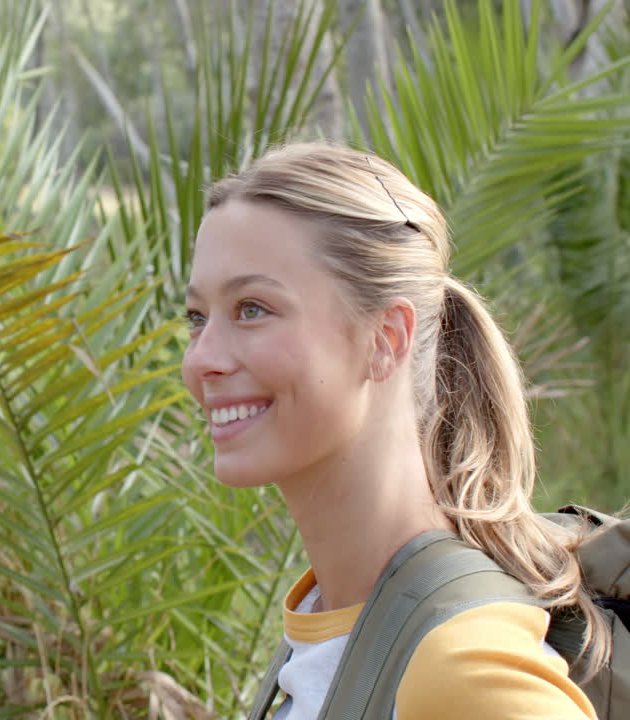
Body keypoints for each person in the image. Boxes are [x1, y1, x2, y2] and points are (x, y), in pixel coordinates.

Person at [179, 142, 611, 719]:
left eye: (252, 308)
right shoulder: (332, 620)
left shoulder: (464, 674)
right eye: (197, 317)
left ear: (386, 339)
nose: (202, 359)